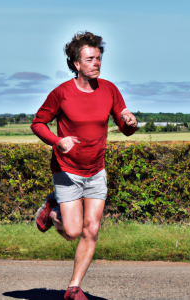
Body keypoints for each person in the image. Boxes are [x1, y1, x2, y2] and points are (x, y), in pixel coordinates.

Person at [31, 31, 138, 300]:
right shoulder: (61, 93)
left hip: (96, 170)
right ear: (76, 64)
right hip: (66, 169)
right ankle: (50, 208)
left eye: (99, 58)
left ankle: (73, 288)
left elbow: (124, 128)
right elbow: (37, 123)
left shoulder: (110, 90)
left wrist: (130, 123)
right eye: (90, 59)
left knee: (92, 230)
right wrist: (57, 141)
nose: (97, 63)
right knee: (73, 231)